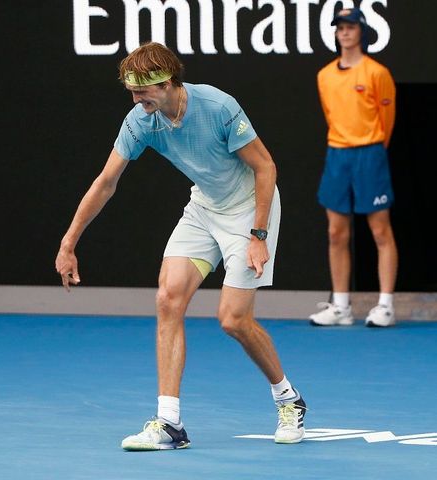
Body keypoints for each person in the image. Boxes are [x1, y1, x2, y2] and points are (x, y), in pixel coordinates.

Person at [55, 42, 306, 451]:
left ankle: (288, 399)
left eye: (143, 91)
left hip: (249, 210)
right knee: (168, 299)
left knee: (233, 320)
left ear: (169, 83)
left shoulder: (218, 106)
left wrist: (258, 236)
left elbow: (266, 167)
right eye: (132, 92)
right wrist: (69, 242)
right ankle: (170, 423)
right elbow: (106, 183)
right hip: (204, 208)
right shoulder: (140, 122)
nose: (137, 100)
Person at [309, 8, 398, 328]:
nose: (345, 32)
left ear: (361, 31)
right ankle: (341, 306)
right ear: (336, 33)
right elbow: (333, 116)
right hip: (337, 155)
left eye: (350, 27)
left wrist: (370, 147)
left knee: (379, 230)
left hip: (370, 154)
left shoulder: (377, 73)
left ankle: (385, 304)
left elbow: (386, 121)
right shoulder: (325, 75)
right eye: (340, 28)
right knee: (336, 232)